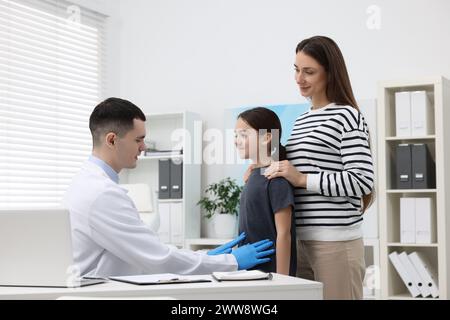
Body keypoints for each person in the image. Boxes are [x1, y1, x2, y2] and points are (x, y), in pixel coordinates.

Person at [63, 97, 274, 278]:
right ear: (112, 140)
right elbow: (158, 258)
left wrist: (206, 256)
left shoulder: (88, 183)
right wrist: (230, 261)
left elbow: (148, 252)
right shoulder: (102, 194)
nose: (144, 147)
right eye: (138, 139)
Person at [262, 36, 375, 299]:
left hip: (335, 243)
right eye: (296, 69)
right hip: (300, 242)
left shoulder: (347, 116)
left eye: (309, 72)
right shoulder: (301, 120)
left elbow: (362, 180)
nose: (299, 78)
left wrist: (302, 179)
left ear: (330, 72)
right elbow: (295, 167)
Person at [235, 107, 296, 276]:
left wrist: (282, 280)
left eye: (243, 135)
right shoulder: (253, 175)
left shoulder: (275, 179)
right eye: (235, 135)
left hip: (271, 275)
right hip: (249, 273)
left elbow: (284, 233)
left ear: (267, 137)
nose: (236, 141)